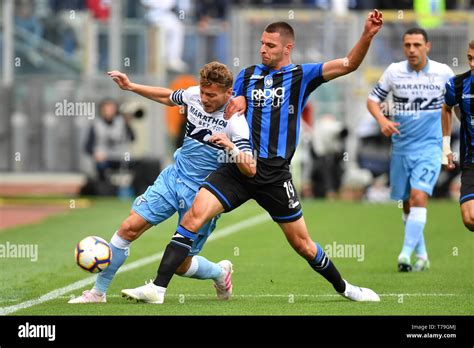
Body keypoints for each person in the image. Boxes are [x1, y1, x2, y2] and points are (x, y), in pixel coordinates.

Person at [121, 10, 384, 304]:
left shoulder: (301, 76)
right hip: (236, 165)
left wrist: (367, 35)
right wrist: (240, 100)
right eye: (261, 43)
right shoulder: (248, 75)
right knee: (195, 215)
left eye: (270, 45)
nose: (263, 49)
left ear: (287, 48)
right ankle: (158, 288)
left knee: (303, 245)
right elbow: (231, 100)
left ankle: (345, 288)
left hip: (273, 174)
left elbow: (349, 64)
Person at [69, 61, 256, 303]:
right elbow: (168, 96)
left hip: (203, 194)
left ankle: (220, 272)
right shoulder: (193, 96)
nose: (205, 99)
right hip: (173, 178)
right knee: (128, 228)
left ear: (228, 93)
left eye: (211, 95)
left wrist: (230, 146)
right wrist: (131, 86)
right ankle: (97, 292)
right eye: (202, 92)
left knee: (181, 264)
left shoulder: (236, 122)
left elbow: (249, 167)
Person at [367, 28, 455, 272]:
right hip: (401, 149)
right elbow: (372, 100)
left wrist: (448, 146)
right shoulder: (394, 72)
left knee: (419, 196)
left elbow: (453, 107)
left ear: (427, 46)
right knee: (407, 204)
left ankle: (404, 255)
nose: (412, 50)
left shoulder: (443, 73)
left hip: (430, 147)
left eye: (417, 44)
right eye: (407, 45)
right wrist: (382, 121)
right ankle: (423, 255)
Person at [442, 40, 474, 232]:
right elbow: (446, 107)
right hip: (471, 159)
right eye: (470, 58)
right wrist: (446, 147)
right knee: (469, 218)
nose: (472, 64)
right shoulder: (458, 85)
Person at [85, 99, 135, 183]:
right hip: (105, 159)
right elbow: (87, 147)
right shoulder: (96, 124)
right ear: (101, 110)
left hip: (121, 158)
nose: (109, 112)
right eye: (106, 109)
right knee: (101, 167)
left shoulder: (122, 122)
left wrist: (128, 124)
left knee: (136, 164)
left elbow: (132, 138)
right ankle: (105, 189)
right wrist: (95, 154)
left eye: (111, 109)